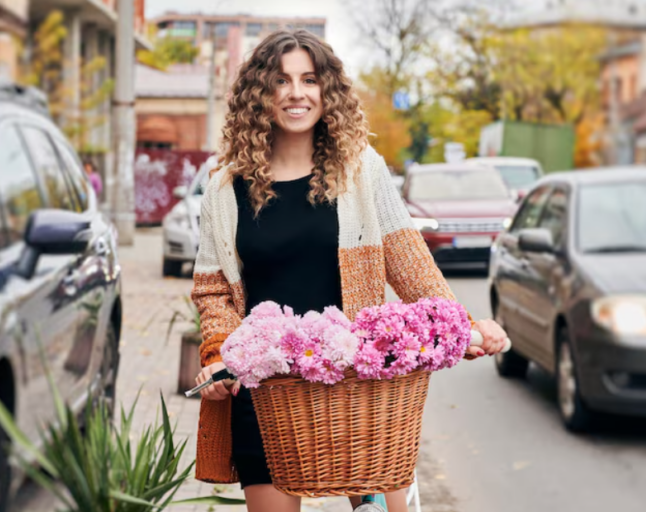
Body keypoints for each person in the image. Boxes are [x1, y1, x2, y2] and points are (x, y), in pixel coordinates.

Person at [191, 29, 507, 512]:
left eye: (310, 80)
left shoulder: (362, 172)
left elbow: (411, 265)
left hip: (360, 388)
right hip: (269, 395)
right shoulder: (223, 189)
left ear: (328, 92)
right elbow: (214, 291)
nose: (297, 93)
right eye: (281, 80)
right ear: (259, 94)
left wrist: (464, 327)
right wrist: (216, 354)